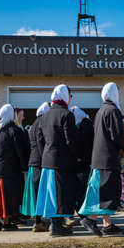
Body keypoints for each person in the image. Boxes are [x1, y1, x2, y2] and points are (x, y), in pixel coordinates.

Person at [79, 82, 124, 237]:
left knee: (102, 191)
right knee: (107, 192)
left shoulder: (101, 110)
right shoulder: (113, 110)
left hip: (99, 158)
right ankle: (90, 219)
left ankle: (107, 225)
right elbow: (116, 135)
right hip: (108, 159)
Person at [36, 85, 79, 237]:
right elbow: (71, 141)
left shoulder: (45, 115)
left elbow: (39, 139)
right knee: (61, 194)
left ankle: (55, 224)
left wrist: (45, 156)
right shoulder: (66, 114)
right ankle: (57, 227)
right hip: (62, 161)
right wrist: (77, 156)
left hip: (47, 160)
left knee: (51, 194)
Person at [0, 104, 29, 231]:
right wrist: (24, 166)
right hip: (9, 170)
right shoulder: (14, 131)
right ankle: (6, 223)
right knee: (8, 198)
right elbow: (20, 151)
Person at [21, 102, 50, 232]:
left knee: (36, 193)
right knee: (41, 193)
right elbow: (41, 144)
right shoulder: (42, 124)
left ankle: (38, 220)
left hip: (33, 162)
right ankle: (39, 222)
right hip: (40, 163)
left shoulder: (33, 124)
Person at [71, 106, 94, 220]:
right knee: (84, 188)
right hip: (86, 161)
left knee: (76, 188)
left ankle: (78, 208)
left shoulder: (71, 124)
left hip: (74, 161)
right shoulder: (88, 123)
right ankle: (82, 210)